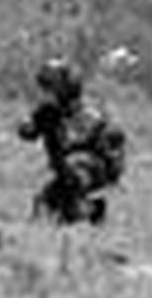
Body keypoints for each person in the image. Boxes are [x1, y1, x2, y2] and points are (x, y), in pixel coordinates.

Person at [17, 58, 126, 225]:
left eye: (52, 89)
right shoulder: (48, 112)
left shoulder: (89, 114)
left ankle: (85, 209)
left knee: (68, 193)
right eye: (46, 89)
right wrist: (34, 123)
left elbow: (88, 145)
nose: (48, 94)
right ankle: (90, 210)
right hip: (66, 173)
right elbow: (27, 133)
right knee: (44, 207)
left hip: (90, 171)